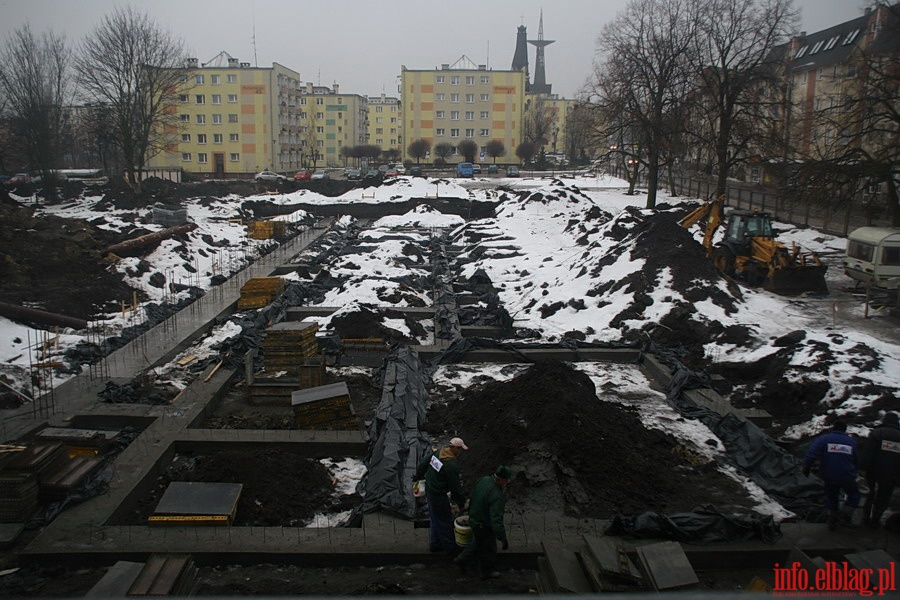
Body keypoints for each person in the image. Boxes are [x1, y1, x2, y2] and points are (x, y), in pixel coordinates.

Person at [454, 465, 513, 579]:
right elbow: (496, 520)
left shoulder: (483, 480)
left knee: (478, 542)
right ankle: (486, 572)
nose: (507, 483)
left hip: (474, 519)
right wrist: (502, 538)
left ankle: (462, 559)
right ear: (501, 479)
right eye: (506, 480)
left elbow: (473, 495)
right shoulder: (497, 496)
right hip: (484, 525)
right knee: (488, 549)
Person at [803, 420, 861, 530]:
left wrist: (806, 468)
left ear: (833, 428)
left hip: (829, 474)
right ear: (844, 430)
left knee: (831, 496)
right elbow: (856, 460)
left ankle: (832, 519)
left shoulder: (824, 439)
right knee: (854, 495)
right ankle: (844, 515)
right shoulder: (851, 442)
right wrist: (855, 471)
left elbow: (811, 454)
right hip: (846, 475)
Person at [415, 437, 468, 553]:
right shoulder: (450, 465)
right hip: (438, 495)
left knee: (435, 518)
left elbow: (423, 463)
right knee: (444, 520)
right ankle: (450, 548)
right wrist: (461, 503)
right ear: (453, 448)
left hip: (430, 490)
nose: (459, 452)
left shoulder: (438, 453)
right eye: (459, 449)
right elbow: (455, 488)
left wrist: (418, 476)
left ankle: (435, 544)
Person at [861, 412, 900, 529]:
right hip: (892, 473)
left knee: (869, 494)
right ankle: (876, 520)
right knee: (884, 497)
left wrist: (863, 468)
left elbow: (868, 453)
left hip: (874, 470)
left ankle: (866, 519)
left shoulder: (877, 433)